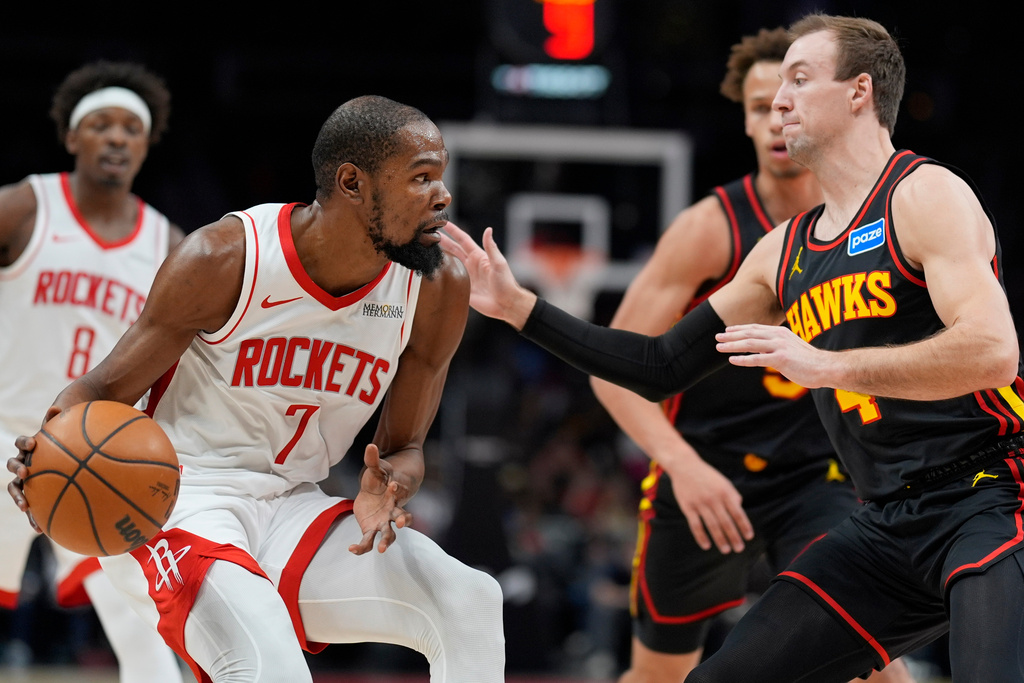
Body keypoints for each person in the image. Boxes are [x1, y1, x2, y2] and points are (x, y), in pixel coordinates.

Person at [441, 12, 1024, 682]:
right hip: (886, 520)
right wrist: (522, 309)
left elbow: (993, 350)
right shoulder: (782, 249)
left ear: (859, 92)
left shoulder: (924, 195)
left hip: (988, 492)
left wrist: (824, 365)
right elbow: (658, 366)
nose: (780, 101)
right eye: (773, 92)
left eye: (799, 80)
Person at [8, 94, 505, 683]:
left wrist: (393, 480)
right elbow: (102, 386)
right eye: (421, 178)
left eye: (440, 177)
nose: (442, 196)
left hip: (291, 506)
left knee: (468, 598)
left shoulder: (436, 287)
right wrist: (43, 455)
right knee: (270, 669)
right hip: (173, 500)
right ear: (352, 182)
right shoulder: (227, 257)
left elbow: (405, 450)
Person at [589, 27, 910, 683]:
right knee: (657, 673)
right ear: (743, 118)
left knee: (871, 655)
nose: (776, 117)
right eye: (760, 106)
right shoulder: (711, 228)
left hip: (819, 477)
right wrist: (680, 463)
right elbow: (615, 367)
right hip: (705, 472)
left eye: (789, 98)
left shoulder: (874, 214)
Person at [0, 61, 185, 682]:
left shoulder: (170, 247)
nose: (116, 138)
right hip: (3, 435)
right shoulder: (27, 206)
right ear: (73, 137)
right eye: (101, 125)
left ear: (146, 143)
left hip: (100, 454)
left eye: (131, 128)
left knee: (144, 630)